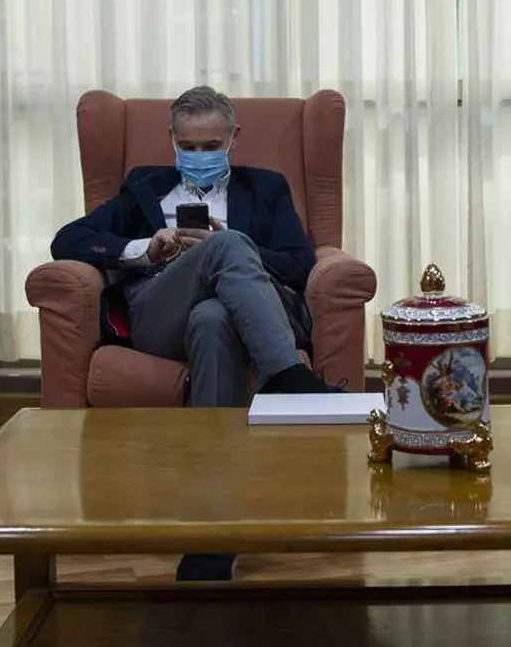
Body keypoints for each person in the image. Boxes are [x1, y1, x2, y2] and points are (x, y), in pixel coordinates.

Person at [50, 85, 337, 582]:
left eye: (211, 145)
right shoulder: (144, 186)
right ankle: (287, 377)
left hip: (234, 320)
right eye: (188, 146)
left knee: (213, 316)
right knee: (224, 253)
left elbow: (299, 264)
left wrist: (233, 247)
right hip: (159, 311)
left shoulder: (266, 188)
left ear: (234, 138)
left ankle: (211, 538)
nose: (199, 155)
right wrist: (146, 247)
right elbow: (67, 240)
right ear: (171, 138)